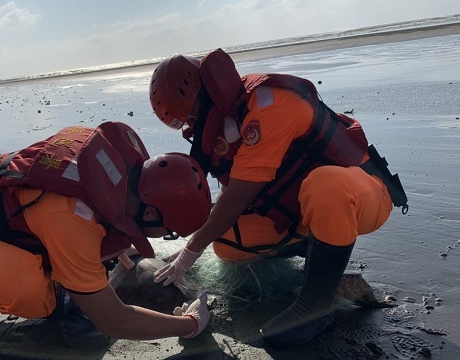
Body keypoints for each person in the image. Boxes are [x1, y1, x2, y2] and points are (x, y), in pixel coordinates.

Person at [148, 49, 408, 345]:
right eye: (185, 123)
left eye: (191, 116)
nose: (191, 126)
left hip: (364, 194)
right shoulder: (225, 121)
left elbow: (239, 196)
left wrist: (189, 252)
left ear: (202, 93)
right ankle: (318, 259)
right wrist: (146, 236)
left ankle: (316, 306)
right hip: (301, 212)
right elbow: (220, 199)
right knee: (227, 244)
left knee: (326, 185)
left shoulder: (268, 103)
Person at [0, 121, 212, 344]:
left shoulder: (111, 164)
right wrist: (189, 324)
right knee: (53, 298)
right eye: (167, 231)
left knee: (82, 264)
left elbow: (90, 209)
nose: (162, 237)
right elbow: (114, 320)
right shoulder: (74, 219)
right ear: (149, 212)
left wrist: (117, 248)